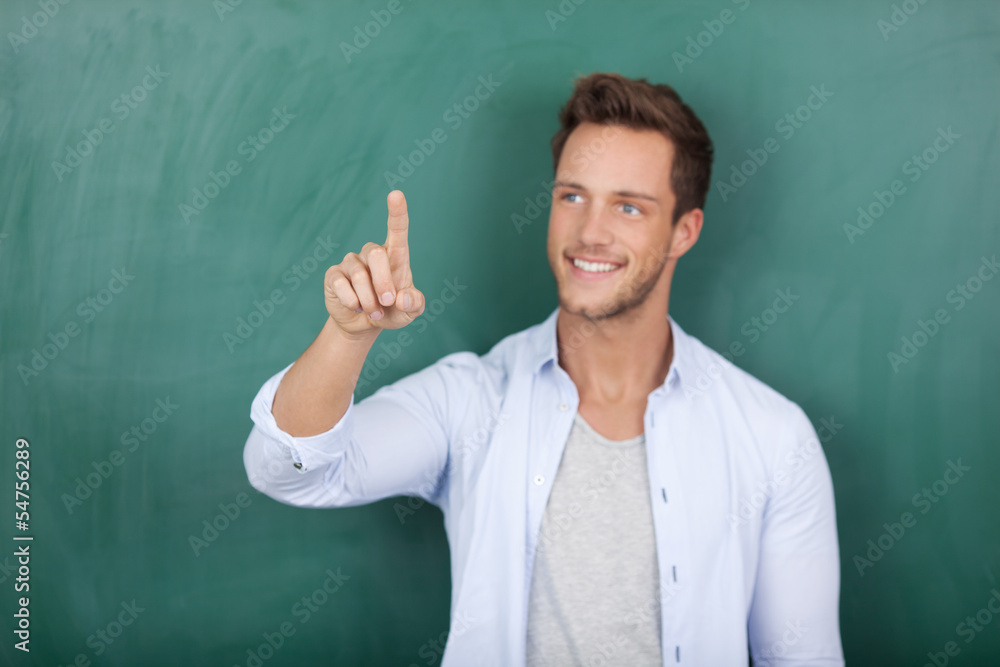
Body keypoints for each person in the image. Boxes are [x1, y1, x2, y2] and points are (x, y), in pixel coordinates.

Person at [243, 72, 844, 666]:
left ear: (684, 230)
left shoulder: (772, 437)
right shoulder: (472, 400)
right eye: (572, 195)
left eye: (629, 206)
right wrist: (349, 336)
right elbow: (290, 471)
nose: (589, 232)